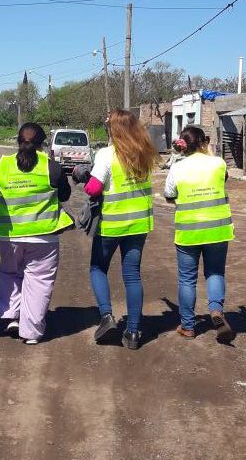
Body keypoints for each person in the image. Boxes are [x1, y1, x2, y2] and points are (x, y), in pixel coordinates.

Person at [0, 123, 73, 343]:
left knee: (10, 273)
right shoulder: (51, 167)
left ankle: (11, 317)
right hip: (43, 237)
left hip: (9, 235)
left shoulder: (3, 164)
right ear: (42, 144)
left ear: (18, 141)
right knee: (39, 282)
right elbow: (65, 195)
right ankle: (32, 333)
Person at [84, 109, 158, 350]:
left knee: (98, 268)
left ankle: (107, 316)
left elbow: (94, 188)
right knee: (132, 275)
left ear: (113, 130)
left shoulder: (107, 154)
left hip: (112, 224)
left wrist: (84, 178)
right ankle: (134, 332)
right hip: (138, 224)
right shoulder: (144, 153)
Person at [164, 125, 235, 343]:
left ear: (182, 145)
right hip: (217, 230)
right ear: (204, 143)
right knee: (215, 272)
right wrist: (208, 151)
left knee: (187, 279)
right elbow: (223, 179)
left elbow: (169, 194)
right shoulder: (218, 163)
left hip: (189, 232)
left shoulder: (177, 168)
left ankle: (188, 326)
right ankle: (215, 310)